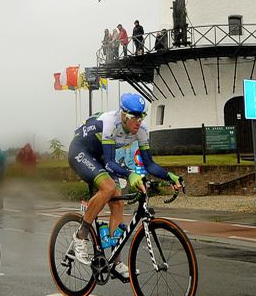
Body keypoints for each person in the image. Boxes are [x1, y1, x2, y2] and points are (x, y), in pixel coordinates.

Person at [66, 93, 181, 278]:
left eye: (141, 116)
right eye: (133, 116)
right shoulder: (110, 123)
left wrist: (170, 176)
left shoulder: (141, 131)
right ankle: (81, 235)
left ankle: (115, 261)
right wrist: (130, 174)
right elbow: (111, 163)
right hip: (81, 151)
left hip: (101, 157)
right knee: (109, 187)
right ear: (123, 114)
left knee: (118, 203)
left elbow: (150, 164)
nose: (138, 121)